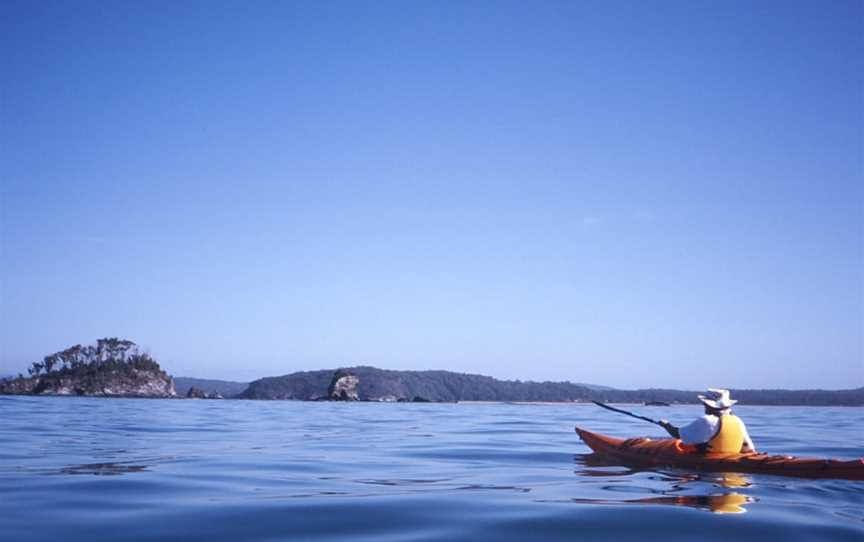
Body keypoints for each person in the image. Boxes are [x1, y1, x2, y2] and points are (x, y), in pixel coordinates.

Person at [659, 388, 756, 453]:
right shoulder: (737, 420)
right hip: (733, 461)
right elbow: (749, 448)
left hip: (712, 465)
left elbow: (678, 435)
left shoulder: (707, 420)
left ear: (708, 405)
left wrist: (666, 425)